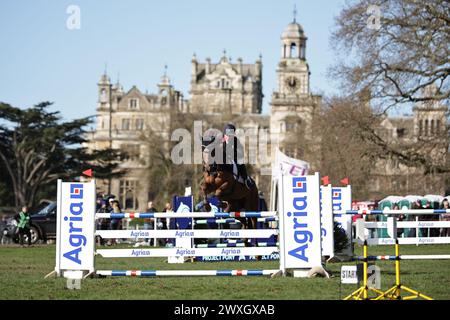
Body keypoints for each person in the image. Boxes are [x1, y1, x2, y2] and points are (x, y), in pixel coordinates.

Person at [222, 123, 254, 189]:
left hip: (234, 158)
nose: (229, 137)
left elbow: (240, 152)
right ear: (224, 135)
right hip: (223, 159)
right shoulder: (220, 142)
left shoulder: (237, 142)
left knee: (240, 164)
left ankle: (246, 180)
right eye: (227, 135)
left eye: (231, 135)